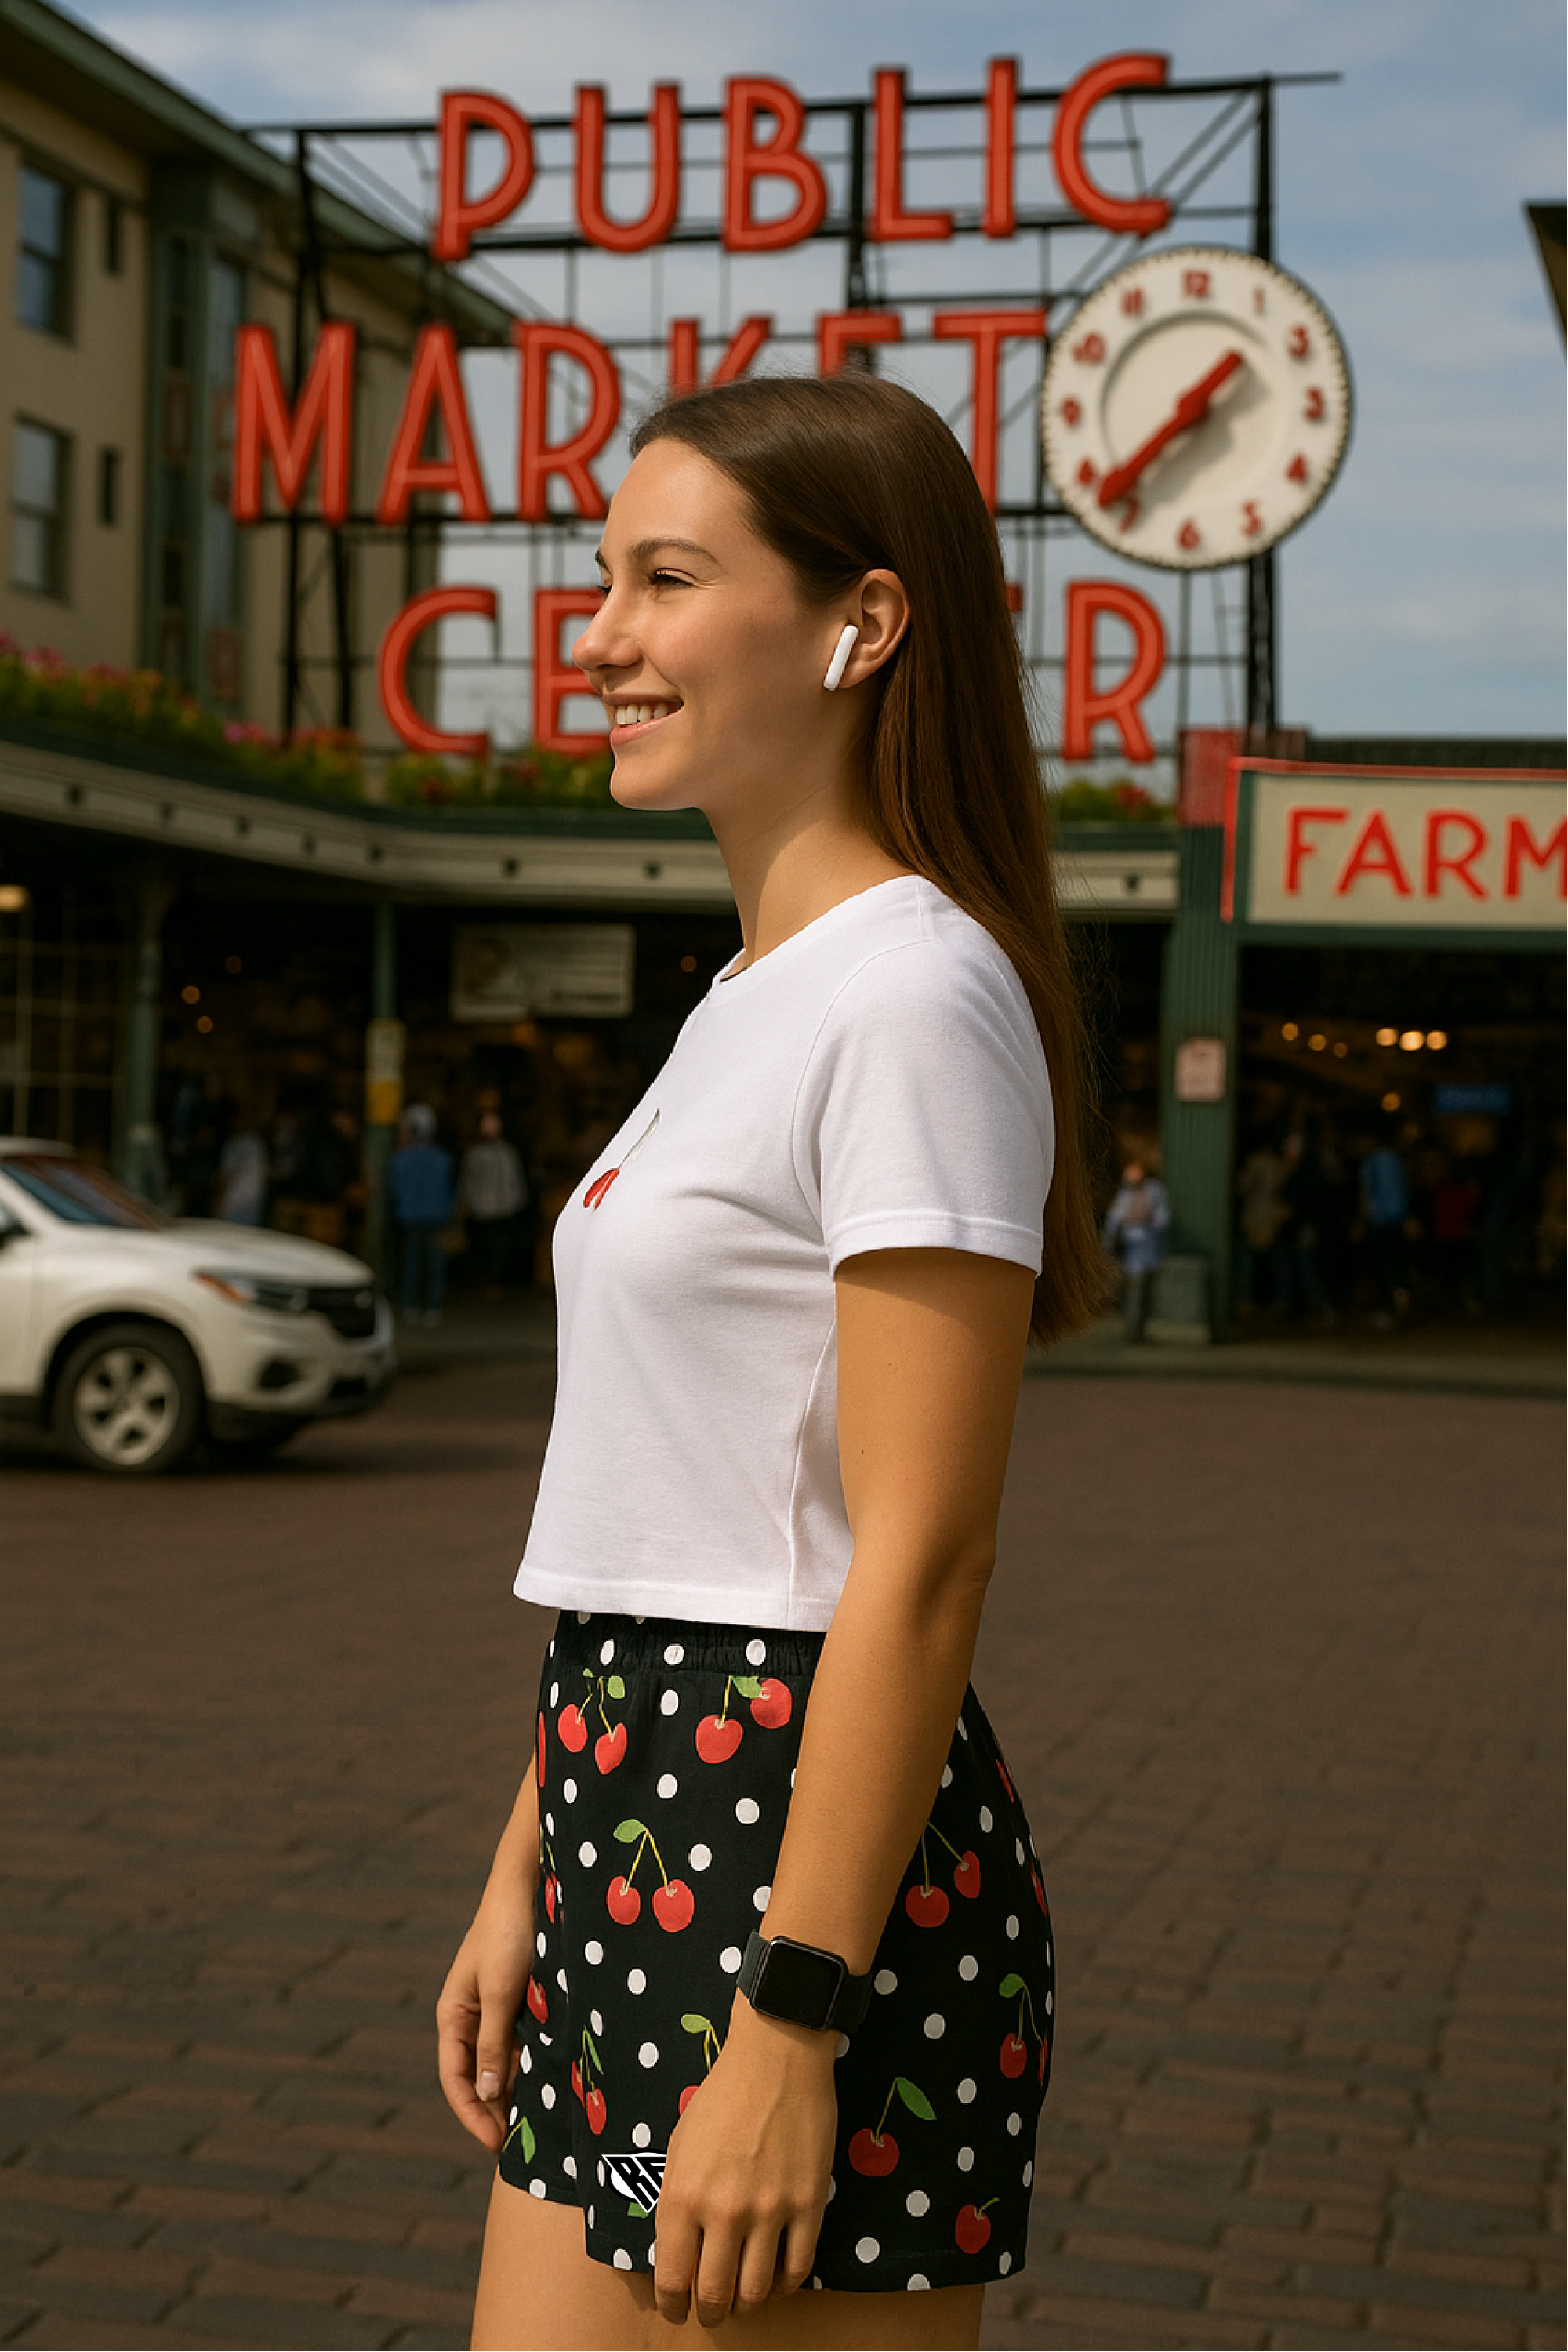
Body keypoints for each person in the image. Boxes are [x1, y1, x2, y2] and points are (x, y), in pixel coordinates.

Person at [435, 372, 1102, 2352]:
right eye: (601, 580)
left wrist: (793, 2016)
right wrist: (527, 1857)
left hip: (798, 1870)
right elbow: (675, 1512)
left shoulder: (907, 991)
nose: (602, 636)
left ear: (860, 624)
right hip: (631, 1798)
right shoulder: (753, 990)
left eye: (662, 578)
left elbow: (914, 1559)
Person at [387, 1104, 455, 1325]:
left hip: (410, 1216)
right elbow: (449, 1188)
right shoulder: (442, 1158)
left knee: (412, 1263)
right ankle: (433, 1307)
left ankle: (410, 1305)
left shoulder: (402, 1159)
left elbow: (394, 1189)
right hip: (437, 1216)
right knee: (435, 1264)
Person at [459, 1111, 528, 1300]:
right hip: (482, 1211)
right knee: (484, 1250)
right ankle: (486, 1283)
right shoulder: (475, 1153)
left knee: (501, 1249)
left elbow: (515, 1179)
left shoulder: (507, 1153)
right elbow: (468, 1181)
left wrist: (517, 1202)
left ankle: (495, 1283)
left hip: (504, 1210)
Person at [1102, 1156, 1169, 1339]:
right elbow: (1114, 1220)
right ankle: (1132, 1330)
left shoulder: (1154, 1191)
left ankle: (1138, 1330)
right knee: (1131, 1290)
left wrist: (1145, 1219)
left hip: (1148, 1247)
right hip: (1128, 1249)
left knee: (1143, 1290)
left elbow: (1163, 1219)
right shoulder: (1126, 1194)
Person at [1359, 1125, 1410, 1325]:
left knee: (1382, 1263)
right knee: (1396, 1260)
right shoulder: (1396, 1160)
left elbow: (1367, 1192)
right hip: (1397, 1218)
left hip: (1378, 1219)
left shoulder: (1370, 1162)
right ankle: (1401, 1295)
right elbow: (1404, 1188)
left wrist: (1363, 1219)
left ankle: (1391, 1305)